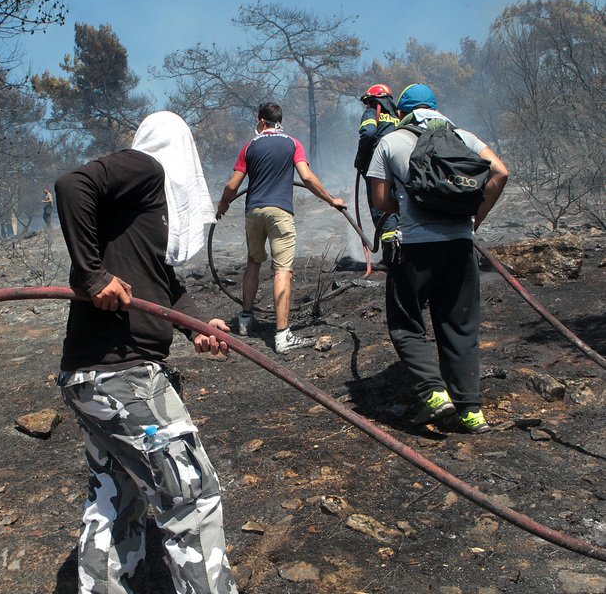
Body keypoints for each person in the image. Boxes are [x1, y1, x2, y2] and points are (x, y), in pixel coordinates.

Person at [54, 111, 238, 594]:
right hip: (123, 374)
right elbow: (71, 184)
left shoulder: (141, 213)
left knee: (116, 499)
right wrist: (92, 275)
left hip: (97, 376)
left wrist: (196, 324)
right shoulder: (145, 168)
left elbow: (164, 281)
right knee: (192, 497)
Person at [367, 83, 509, 434]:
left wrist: (411, 203)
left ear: (401, 112)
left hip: (414, 248)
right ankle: (470, 410)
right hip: (460, 247)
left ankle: (433, 393)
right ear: (435, 108)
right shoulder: (462, 137)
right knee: (460, 327)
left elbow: (381, 201)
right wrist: (474, 218)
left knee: (406, 325)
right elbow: (500, 172)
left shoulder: (390, 141)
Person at [216, 102, 347, 354]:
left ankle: (245, 320)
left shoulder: (250, 146)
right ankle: (282, 334)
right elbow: (306, 177)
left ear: (261, 121)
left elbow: (233, 185)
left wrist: (223, 204)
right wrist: (332, 200)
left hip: (254, 212)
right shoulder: (292, 144)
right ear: (279, 121)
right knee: (283, 271)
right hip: (280, 213)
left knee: (253, 262)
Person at [354, 84, 400, 257]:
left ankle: (390, 255)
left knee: (380, 206)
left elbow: (368, 132)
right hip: (400, 166)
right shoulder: (398, 116)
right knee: (399, 204)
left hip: (378, 167)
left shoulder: (371, 113)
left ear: (372, 101)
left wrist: (360, 156)